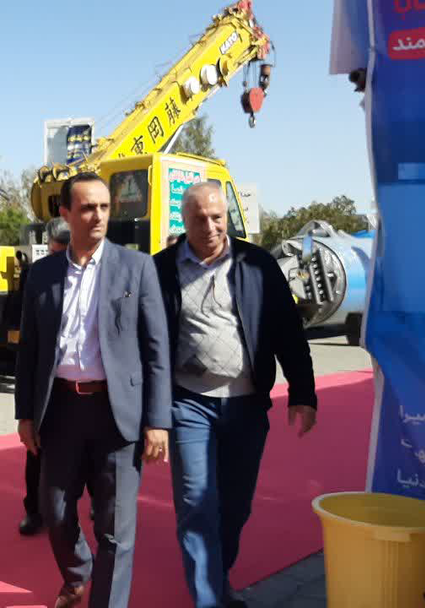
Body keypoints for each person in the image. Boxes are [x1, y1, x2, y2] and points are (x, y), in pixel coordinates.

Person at [153, 182, 317, 608]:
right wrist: (150, 415)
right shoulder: (161, 269)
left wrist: (303, 392)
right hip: (188, 403)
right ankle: (208, 598)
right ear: (183, 221)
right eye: (199, 219)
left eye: (217, 217)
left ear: (226, 217)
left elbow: (287, 330)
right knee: (196, 503)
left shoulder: (257, 264)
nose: (210, 227)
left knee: (235, 506)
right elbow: (144, 344)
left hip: (246, 405)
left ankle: (217, 575)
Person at [14, 171, 171, 608]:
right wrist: (25, 414)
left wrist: (158, 420)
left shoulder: (136, 267)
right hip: (60, 410)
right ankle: (78, 571)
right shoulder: (43, 274)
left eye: (104, 207)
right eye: (87, 208)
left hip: (117, 413)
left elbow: (156, 348)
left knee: (115, 527)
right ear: (66, 213)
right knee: (54, 510)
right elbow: (30, 349)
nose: (98, 216)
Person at [20, 216, 71, 536]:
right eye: (56, 252)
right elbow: (28, 339)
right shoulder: (37, 274)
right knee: (36, 452)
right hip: (46, 382)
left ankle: (95, 503)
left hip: (86, 382)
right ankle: (34, 510)